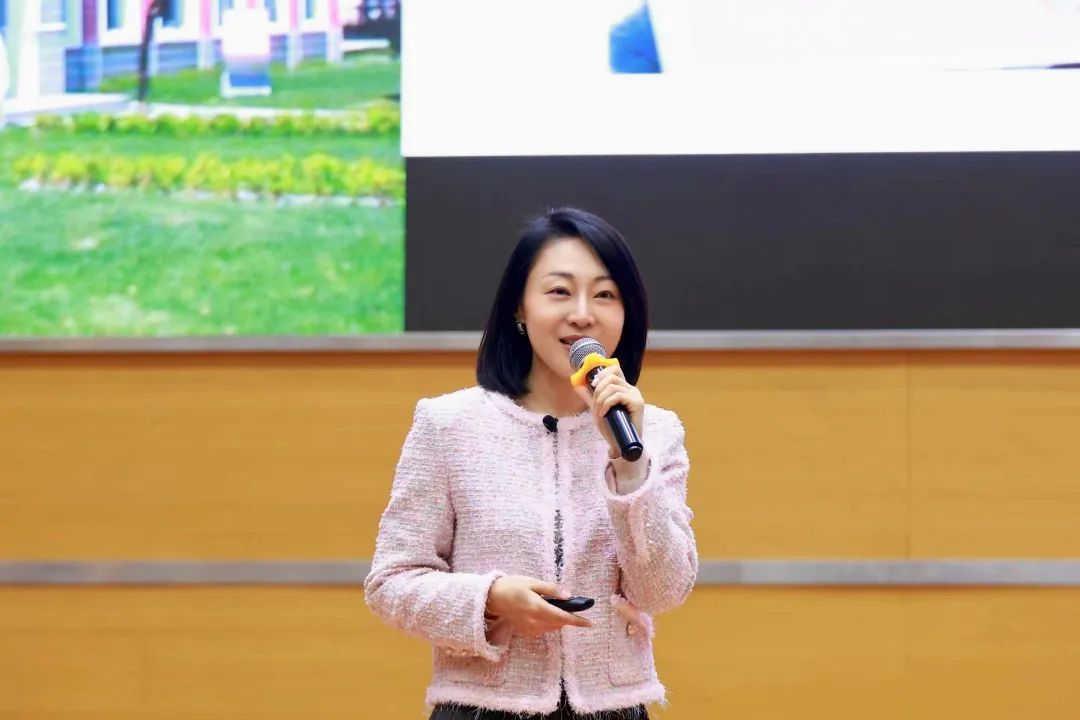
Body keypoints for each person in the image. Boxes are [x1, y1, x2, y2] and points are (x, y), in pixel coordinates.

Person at [364, 207, 697, 719]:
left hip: (615, 708)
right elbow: (392, 583)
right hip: (480, 707)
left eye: (605, 295)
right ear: (519, 307)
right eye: (559, 291)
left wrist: (629, 466)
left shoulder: (653, 432)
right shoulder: (448, 425)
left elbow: (663, 590)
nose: (582, 314)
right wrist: (491, 598)